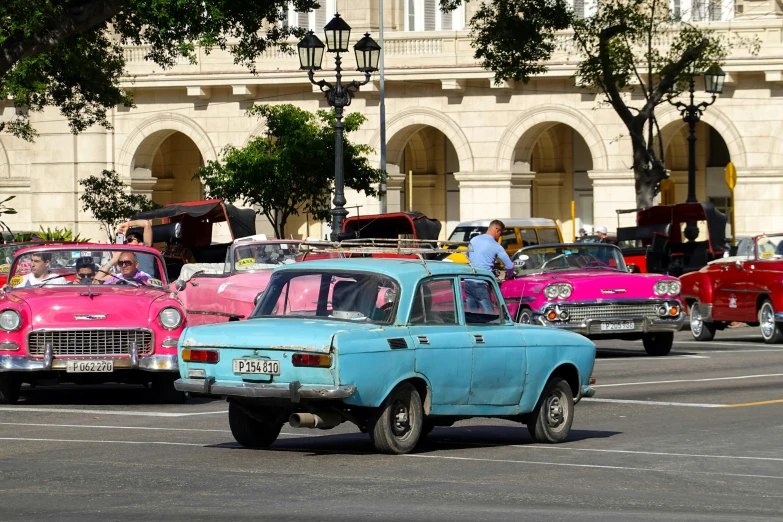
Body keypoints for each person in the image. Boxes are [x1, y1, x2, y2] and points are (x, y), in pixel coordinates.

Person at [466, 219, 514, 313]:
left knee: (472, 315)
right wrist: (510, 275)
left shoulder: (474, 240)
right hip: (481, 282)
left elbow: (468, 256)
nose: (500, 236)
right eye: (501, 233)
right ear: (497, 230)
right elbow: (509, 266)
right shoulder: (496, 246)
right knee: (489, 315)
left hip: (468, 281)